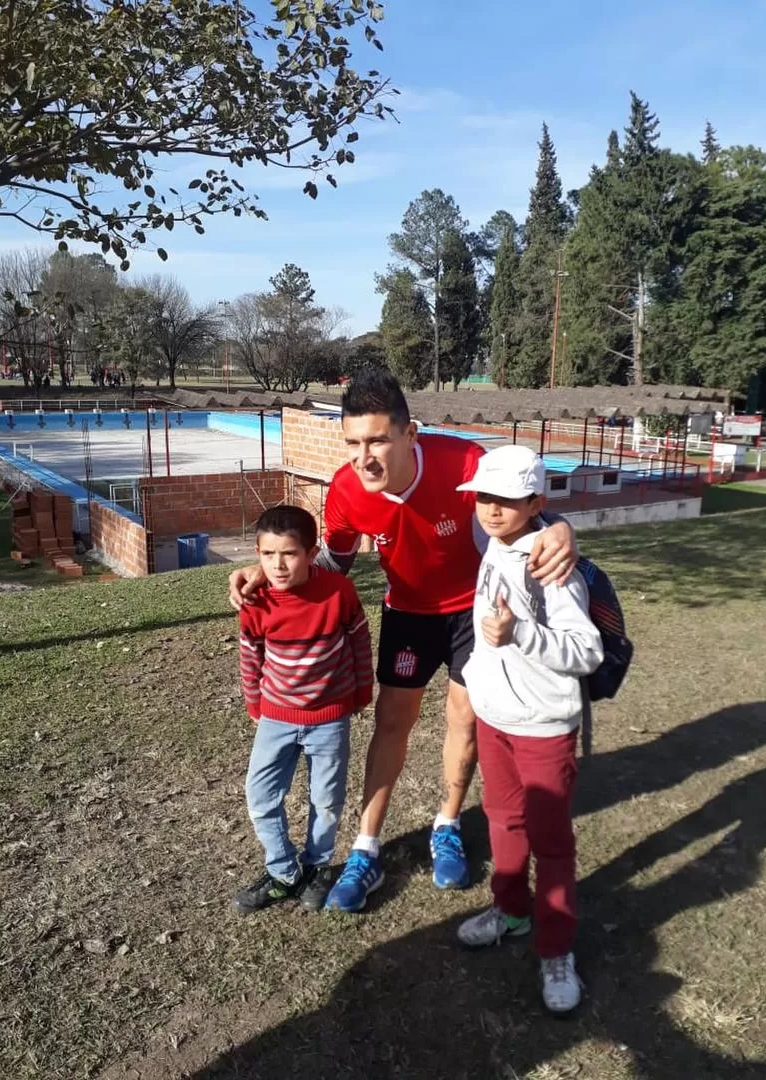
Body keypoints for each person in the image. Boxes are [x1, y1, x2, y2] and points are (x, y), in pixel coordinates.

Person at [228, 370, 577, 913]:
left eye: (376, 440)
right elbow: (331, 567)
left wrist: (559, 527)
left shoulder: (462, 464)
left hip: (474, 611)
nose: (363, 456)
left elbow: (522, 503)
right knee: (393, 722)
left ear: (409, 434)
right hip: (408, 614)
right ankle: (367, 849)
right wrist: (267, 572)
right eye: (352, 443)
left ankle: (447, 824)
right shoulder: (346, 490)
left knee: (464, 719)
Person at [454, 444, 603, 1014]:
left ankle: (556, 947)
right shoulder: (490, 540)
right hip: (496, 718)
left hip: (543, 725)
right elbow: (509, 526)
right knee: (502, 820)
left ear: (534, 501)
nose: (491, 510)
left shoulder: (551, 568)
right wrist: (562, 524)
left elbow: (586, 650)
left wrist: (520, 634)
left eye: (507, 500)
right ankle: (511, 910)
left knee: (551, 841)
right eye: (483, 498)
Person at [233, 505, 374, 914]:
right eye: (268, 554)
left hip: (329, 719)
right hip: (275, 718)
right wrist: (255, 704)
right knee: (260, 796)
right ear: (257, 554)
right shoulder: (255, 600)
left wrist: (362, 692)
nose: (278, 565)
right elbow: (250, 655)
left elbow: (359, 643)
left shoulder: (338, 592)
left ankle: (316, 867)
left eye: (290, 554)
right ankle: (282, 873)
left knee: (326, 799)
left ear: (312, 553)